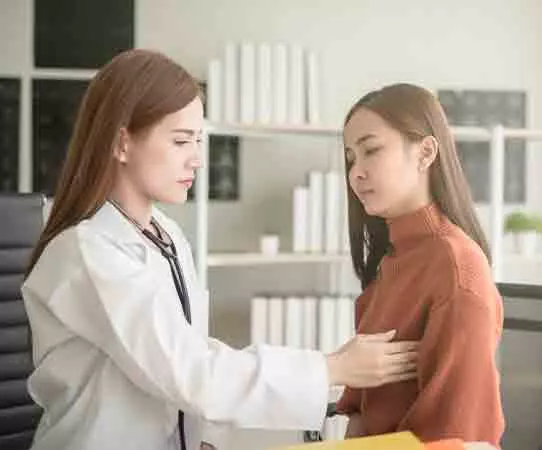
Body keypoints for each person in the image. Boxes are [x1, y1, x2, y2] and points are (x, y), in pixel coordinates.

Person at [21, 49, 419, 450]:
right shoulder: (88, 253)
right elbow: (190, 373)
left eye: (198, 140)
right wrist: (331, 368)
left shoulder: (167, 235)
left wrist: (198, 439)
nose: (197, 159)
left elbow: (185, 356)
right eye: (180, 141)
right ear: (122, 142)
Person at [335, 83, 505, 446]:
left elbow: (458, 436)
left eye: (371, 151)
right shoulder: (392, 260)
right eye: (351, 157)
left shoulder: (456, 267)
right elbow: (361, 413)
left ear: (426, 152)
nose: (356, 172)